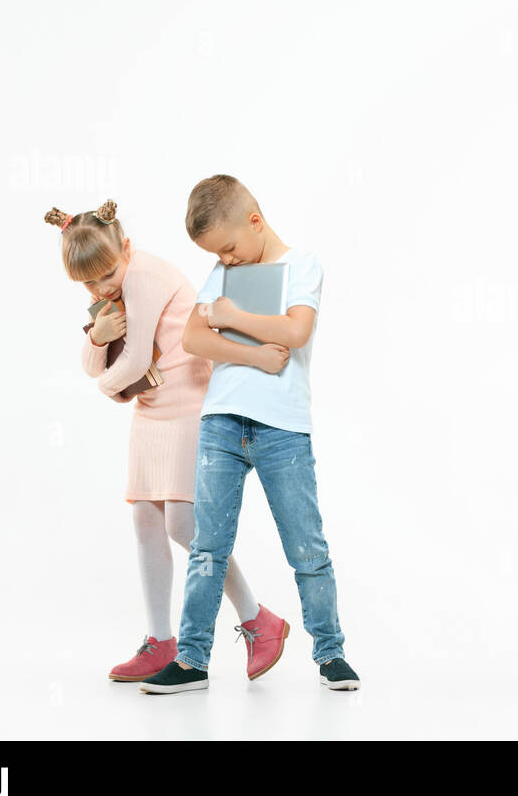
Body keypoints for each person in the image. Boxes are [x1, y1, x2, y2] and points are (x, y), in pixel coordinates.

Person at [138, 175, 360, 694]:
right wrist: (255, 353)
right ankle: (192, 661)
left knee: (307, 547)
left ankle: (330, 653)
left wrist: (233, 318)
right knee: (207, 548)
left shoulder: (301, 265)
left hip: (284, 428)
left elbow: (297, 330)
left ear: (255, 222)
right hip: (221, 422)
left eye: (231, 248)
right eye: (218, 254)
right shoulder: (220, 273)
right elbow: (195, 337)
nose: (228, 261)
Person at [44, 200, 281, 683]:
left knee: (183, 525)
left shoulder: (144, 276)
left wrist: (105, 386)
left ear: (126, 248)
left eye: (106, 274)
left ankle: (259, 618)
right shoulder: (112, 286)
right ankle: (159, 641)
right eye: (88, 284)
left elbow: (127, 367)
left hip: (189, 406)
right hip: (152, 413)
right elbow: (98, 363)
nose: (101, 288)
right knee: (145, 520)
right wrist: (97, 337)